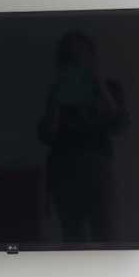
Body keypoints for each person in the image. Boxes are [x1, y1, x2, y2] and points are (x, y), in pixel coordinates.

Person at [37, 31, 129, 243]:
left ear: (92, 58)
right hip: (65, 175)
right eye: (70, 58)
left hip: (98, 173)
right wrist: (56, 100)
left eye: (81, 57)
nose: (76, 64)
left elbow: (120, 124)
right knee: (73, 241)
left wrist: (99, 85)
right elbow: (47, 135)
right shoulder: (58, 90)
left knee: (106, 237)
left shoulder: (107, 89)